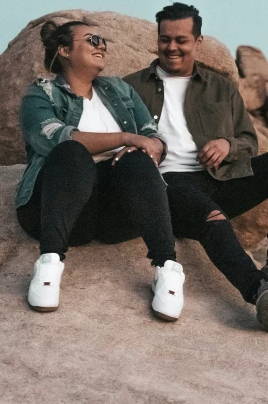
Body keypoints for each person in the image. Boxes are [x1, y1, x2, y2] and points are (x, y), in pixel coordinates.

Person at [124, 3, 268, 334]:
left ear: (198, 41)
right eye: (165, 39)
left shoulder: (220, 88)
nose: (172, 47)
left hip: (219, 178)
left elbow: (247, 139)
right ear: (157, 40)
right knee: (211, 214)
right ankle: (260, 293)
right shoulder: (130, 88)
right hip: (168, 187)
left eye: (182, 40)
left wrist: (227, 145)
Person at [15, 20, 184, 321]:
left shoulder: (120, 91)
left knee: (136, 159)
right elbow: (51, 136)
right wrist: (125, 138)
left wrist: (144, 147)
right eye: (92, 39)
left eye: (103, 40)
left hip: (116, 213)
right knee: (70, 151)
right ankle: (49, 264)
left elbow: (153, 136)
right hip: (63, 207)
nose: (101, 45)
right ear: (64, 50)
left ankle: (167, 271)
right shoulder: (41, 95)